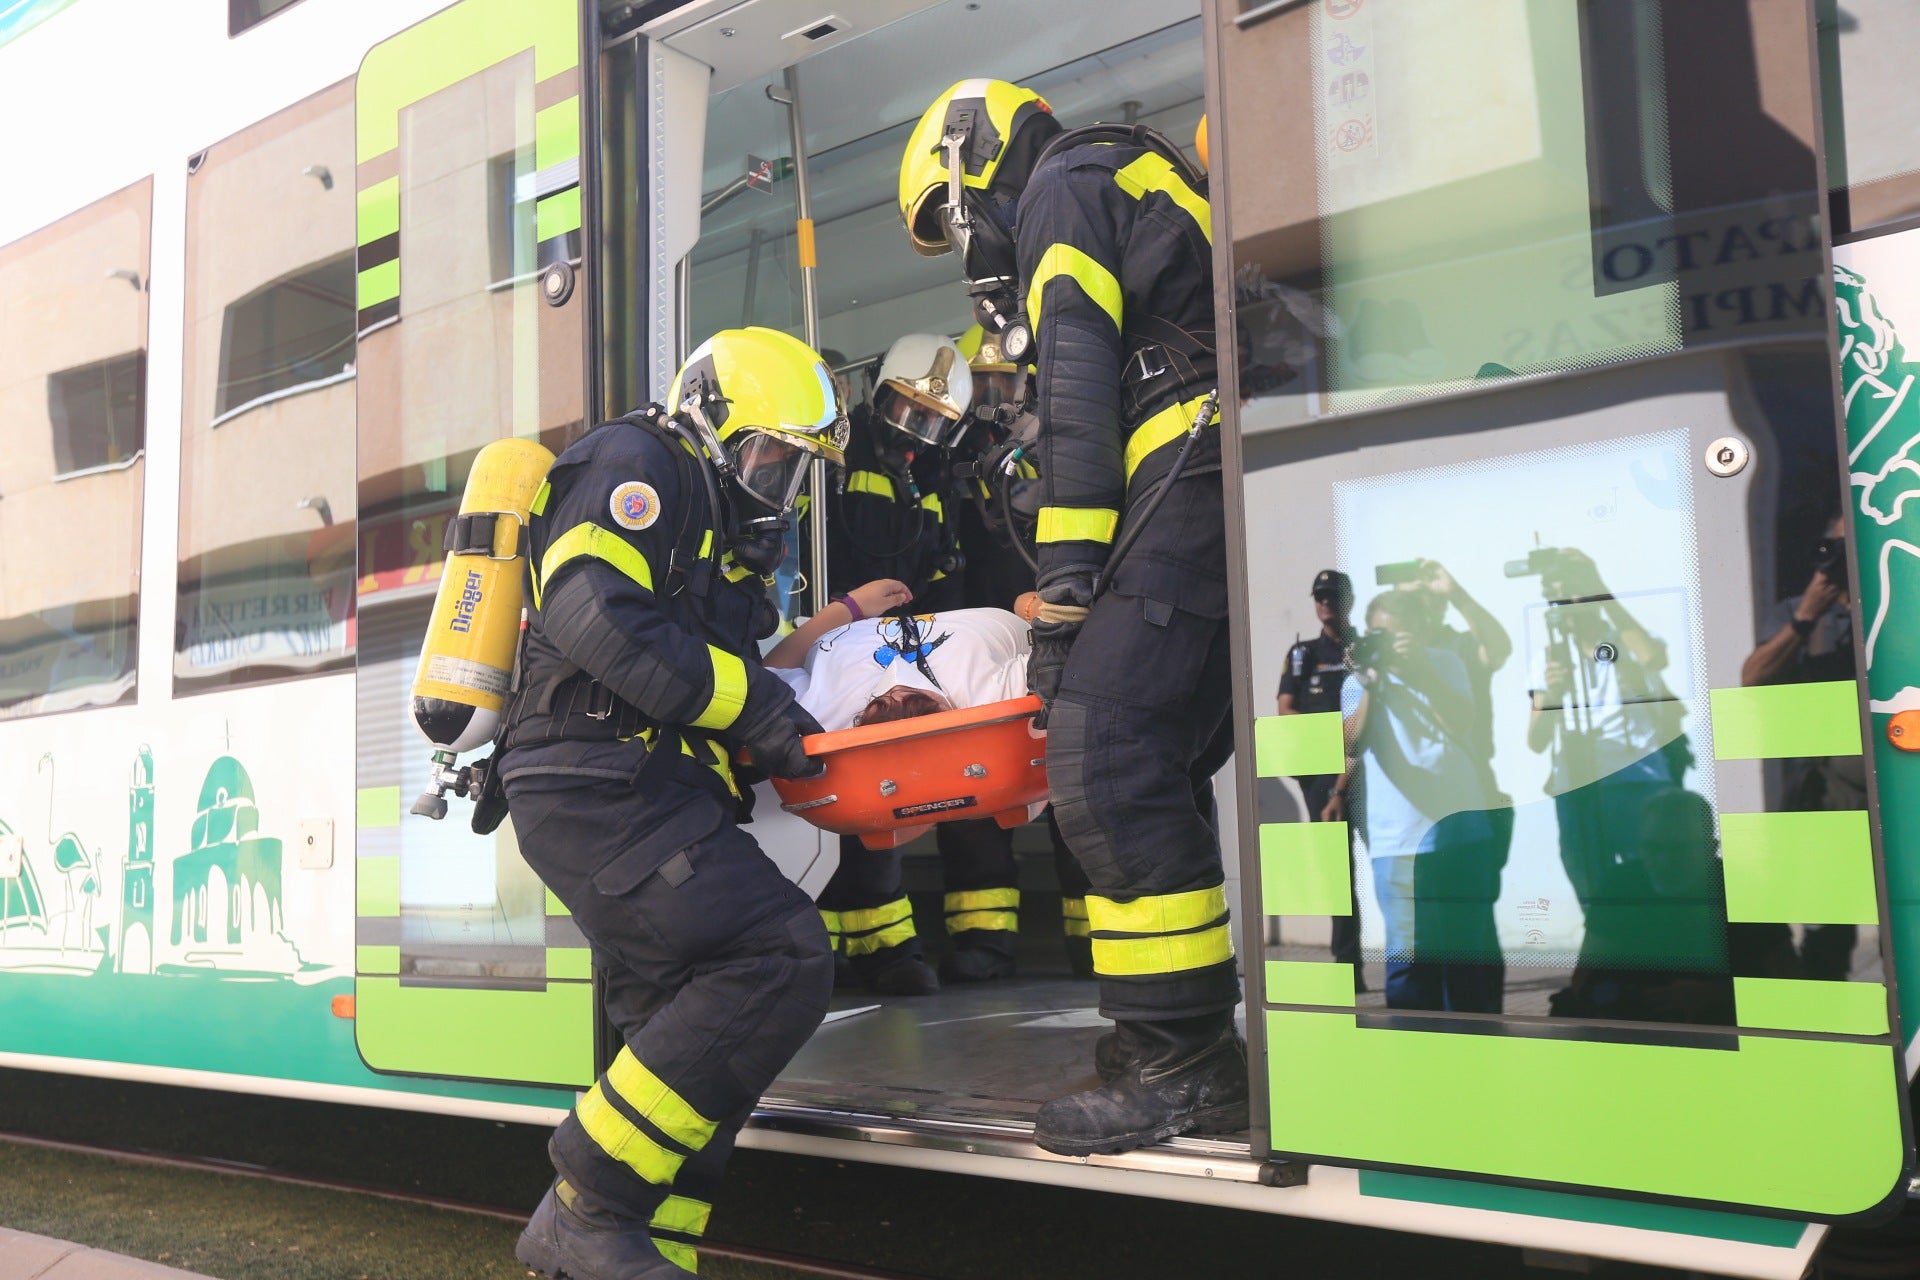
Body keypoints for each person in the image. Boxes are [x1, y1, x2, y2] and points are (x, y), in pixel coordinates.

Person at [899, 79, 1240, 1156]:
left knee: (1103, 757)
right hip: (1202, 478)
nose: (969, 246)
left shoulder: (1063, 186)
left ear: (971, 159)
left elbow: (1086, 402)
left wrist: (1065, 594)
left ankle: (1187, 1064)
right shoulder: (1113, 177)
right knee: (1154, 767)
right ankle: (1164, 1045)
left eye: (953, 220)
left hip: (1185, 478)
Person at [497, 326, 846, 1280]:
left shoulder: (717, 524)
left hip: (640, 782)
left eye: (793, 469)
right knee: (775, 955)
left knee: (682, 1040)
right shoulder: (633, 460)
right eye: (771, 456)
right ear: (713, 420)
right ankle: (587, 1204)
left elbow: (719, 654)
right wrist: (761, 709)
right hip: (596, 779)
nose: (778, 483)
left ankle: (635, 1253)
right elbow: (590, 610)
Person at [813, 334, 987, 993]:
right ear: (876, 395)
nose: (912, 432)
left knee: (887, 799)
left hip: (901, 655)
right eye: (903, 411)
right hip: (833, 649)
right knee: (826, 794)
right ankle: (820, 945)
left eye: (931, 422)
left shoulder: (935, 478)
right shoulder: (837, 453)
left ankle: (886, 949)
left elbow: (945, 568)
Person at [1342, 590, 1509, 1014]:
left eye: (1398, 635)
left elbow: (1460, 722)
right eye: (1380, 633)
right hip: (1398, 843)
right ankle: (1416, 1061)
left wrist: (1418, 672)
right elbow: (1349, 744)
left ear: (1420, 632)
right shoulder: (1358, 680)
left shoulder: (1445, 662)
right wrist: (1370, 689)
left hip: (1460, 835)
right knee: (1409, 964)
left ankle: (1480, 1057)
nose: (1389, 643)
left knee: (1469, 962)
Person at [1742, 514, 1861, 980]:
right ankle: (1826, 1024)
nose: (1840, 560)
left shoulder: (1897, 604)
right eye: (1834, 547)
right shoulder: (1798, 611)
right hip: (1825, 794)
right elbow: (1752, 677)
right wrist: (1806, 616)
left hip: (1894, 787)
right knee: (1828, 926)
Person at [1275, 569, 1363, 985]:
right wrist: (1339, 731)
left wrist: (1343, 733)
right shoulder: (1303, 654)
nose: (1325, 602)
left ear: (1348, 599)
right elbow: (1285, 710)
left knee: (1388, 865)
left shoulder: (1366, 648)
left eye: (1332, 595)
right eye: (1319, 596)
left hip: (1366, 770)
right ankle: (1349, 968)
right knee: (1336, 874)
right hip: (1318, 777)